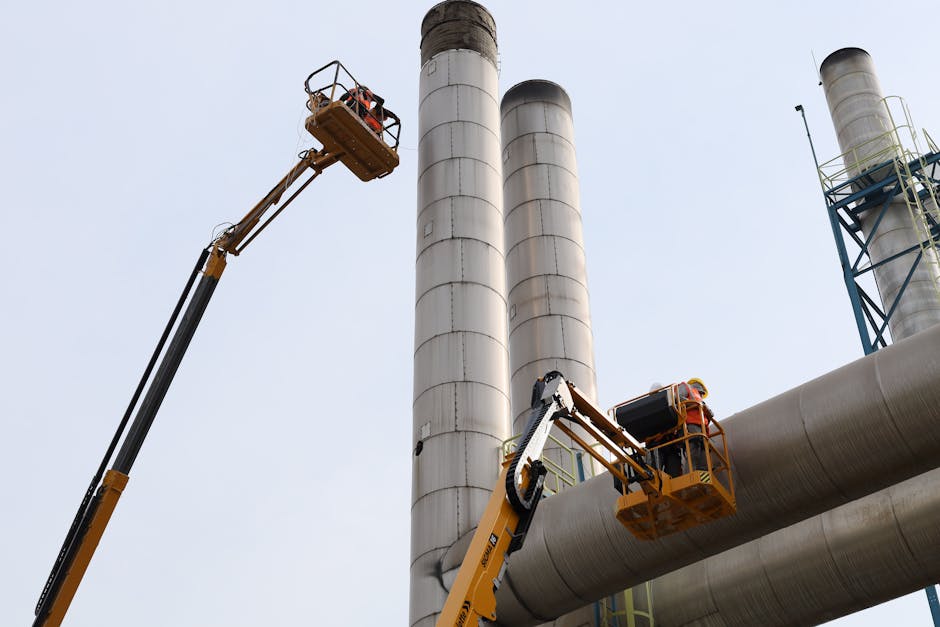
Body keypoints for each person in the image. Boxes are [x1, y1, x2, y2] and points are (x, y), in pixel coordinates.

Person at [655, 378, 713, 477]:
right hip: (690, 424)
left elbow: (711, 414)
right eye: (702, 393)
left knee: (702, 452)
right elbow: (676, 398)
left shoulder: (700, 401)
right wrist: (692, 403)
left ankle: (704, 474)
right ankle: (694, 474)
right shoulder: (686, 387)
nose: (702, 395)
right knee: (693, 449)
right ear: (700, 387)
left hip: (701, 429)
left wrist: (705, 408)